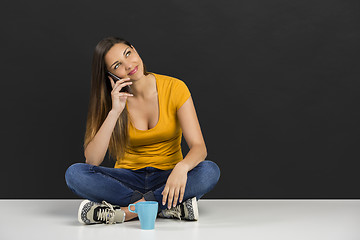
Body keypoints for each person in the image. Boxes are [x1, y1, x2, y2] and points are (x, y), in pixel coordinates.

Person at [65, 36, 220, 225]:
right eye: (117, 65)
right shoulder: (112, 102)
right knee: (74, 174)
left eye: (128, 54)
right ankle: (166, 208)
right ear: (110, 76)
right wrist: (115, 111)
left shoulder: (175, 87)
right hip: (127, 180)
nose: (129, 65)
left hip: (168, 177)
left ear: (135, 49)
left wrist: (182, 168)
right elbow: (92, 160)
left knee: (209, 171)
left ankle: (126, 212)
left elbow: (199, 147)